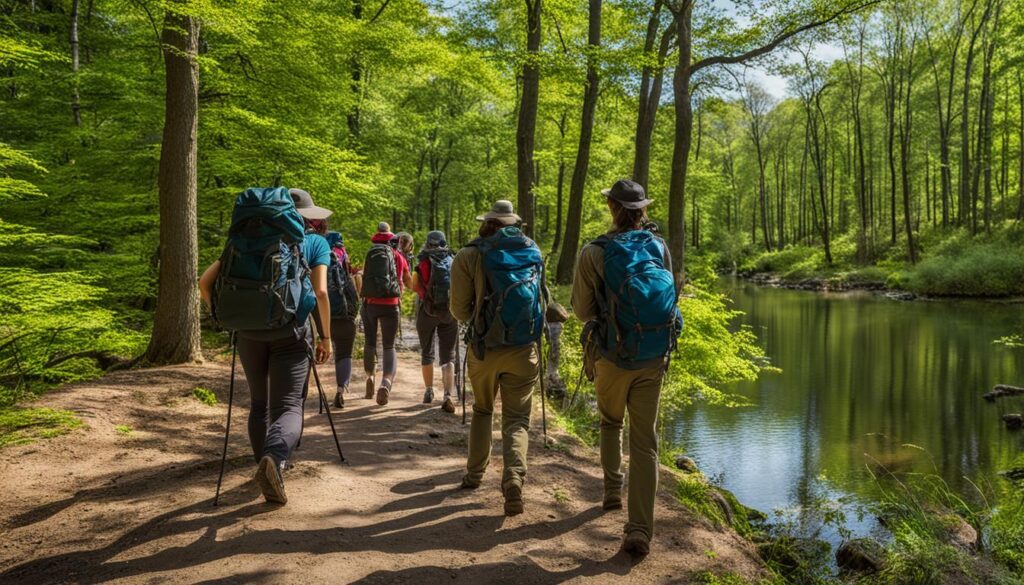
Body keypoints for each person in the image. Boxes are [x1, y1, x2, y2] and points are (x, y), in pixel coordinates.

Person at [198, 187, 333, 505]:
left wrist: (225, 317)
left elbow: (205, 282)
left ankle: (263, 465)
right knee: (288, 405)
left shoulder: (244, 240)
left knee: (259, 404)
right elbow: (322, 293)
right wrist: (326, 337)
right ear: (308, 217)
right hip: (291, 333)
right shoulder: (314, 242)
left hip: (247, 334)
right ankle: (274, 459)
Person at [570, 179, 682, 557]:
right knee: (645, 442)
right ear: (642, 210)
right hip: (653, 354)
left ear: (611, 208)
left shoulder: (594, 252)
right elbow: (672, 297)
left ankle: (611, 491)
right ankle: (639, 531)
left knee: (610, 422)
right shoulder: (659, 246)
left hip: (612, 355)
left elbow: (582, 311)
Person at [450, 200, 544, 516]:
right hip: (524, 348)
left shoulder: (468, 255)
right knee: (517, 419)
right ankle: (514, 479)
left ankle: (475, 475)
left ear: (487, 222)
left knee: (482, 409)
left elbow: (460, 311)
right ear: (513, 223)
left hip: (484, 348)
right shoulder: (531, 250)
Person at [301, 213, 362, 409]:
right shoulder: (340, 254)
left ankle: (297, 393)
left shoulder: (306, 246)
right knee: (344, 351)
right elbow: (351, 279)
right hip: (343, 310)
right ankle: (340, 390)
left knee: (304, 353)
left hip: (315, 313)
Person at [361, 221, 413, 406]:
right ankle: (386, 383)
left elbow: (362, 278)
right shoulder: (398, 256)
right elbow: (409, 282)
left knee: (370, 342)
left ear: (376, 234)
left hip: (370, 304)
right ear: (391, 236)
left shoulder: (370, 253)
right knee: (389, 346)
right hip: (392, 305)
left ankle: (370, 377)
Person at [412, 230, 457, 413]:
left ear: (427, 243)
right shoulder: (453, 261)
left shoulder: (422, 261)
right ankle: (447, 395)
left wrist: (425, 296)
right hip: (449, 312)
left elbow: (415, 286)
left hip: (427, 312)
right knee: (449, 354)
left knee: (427, 351)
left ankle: (429, 391)